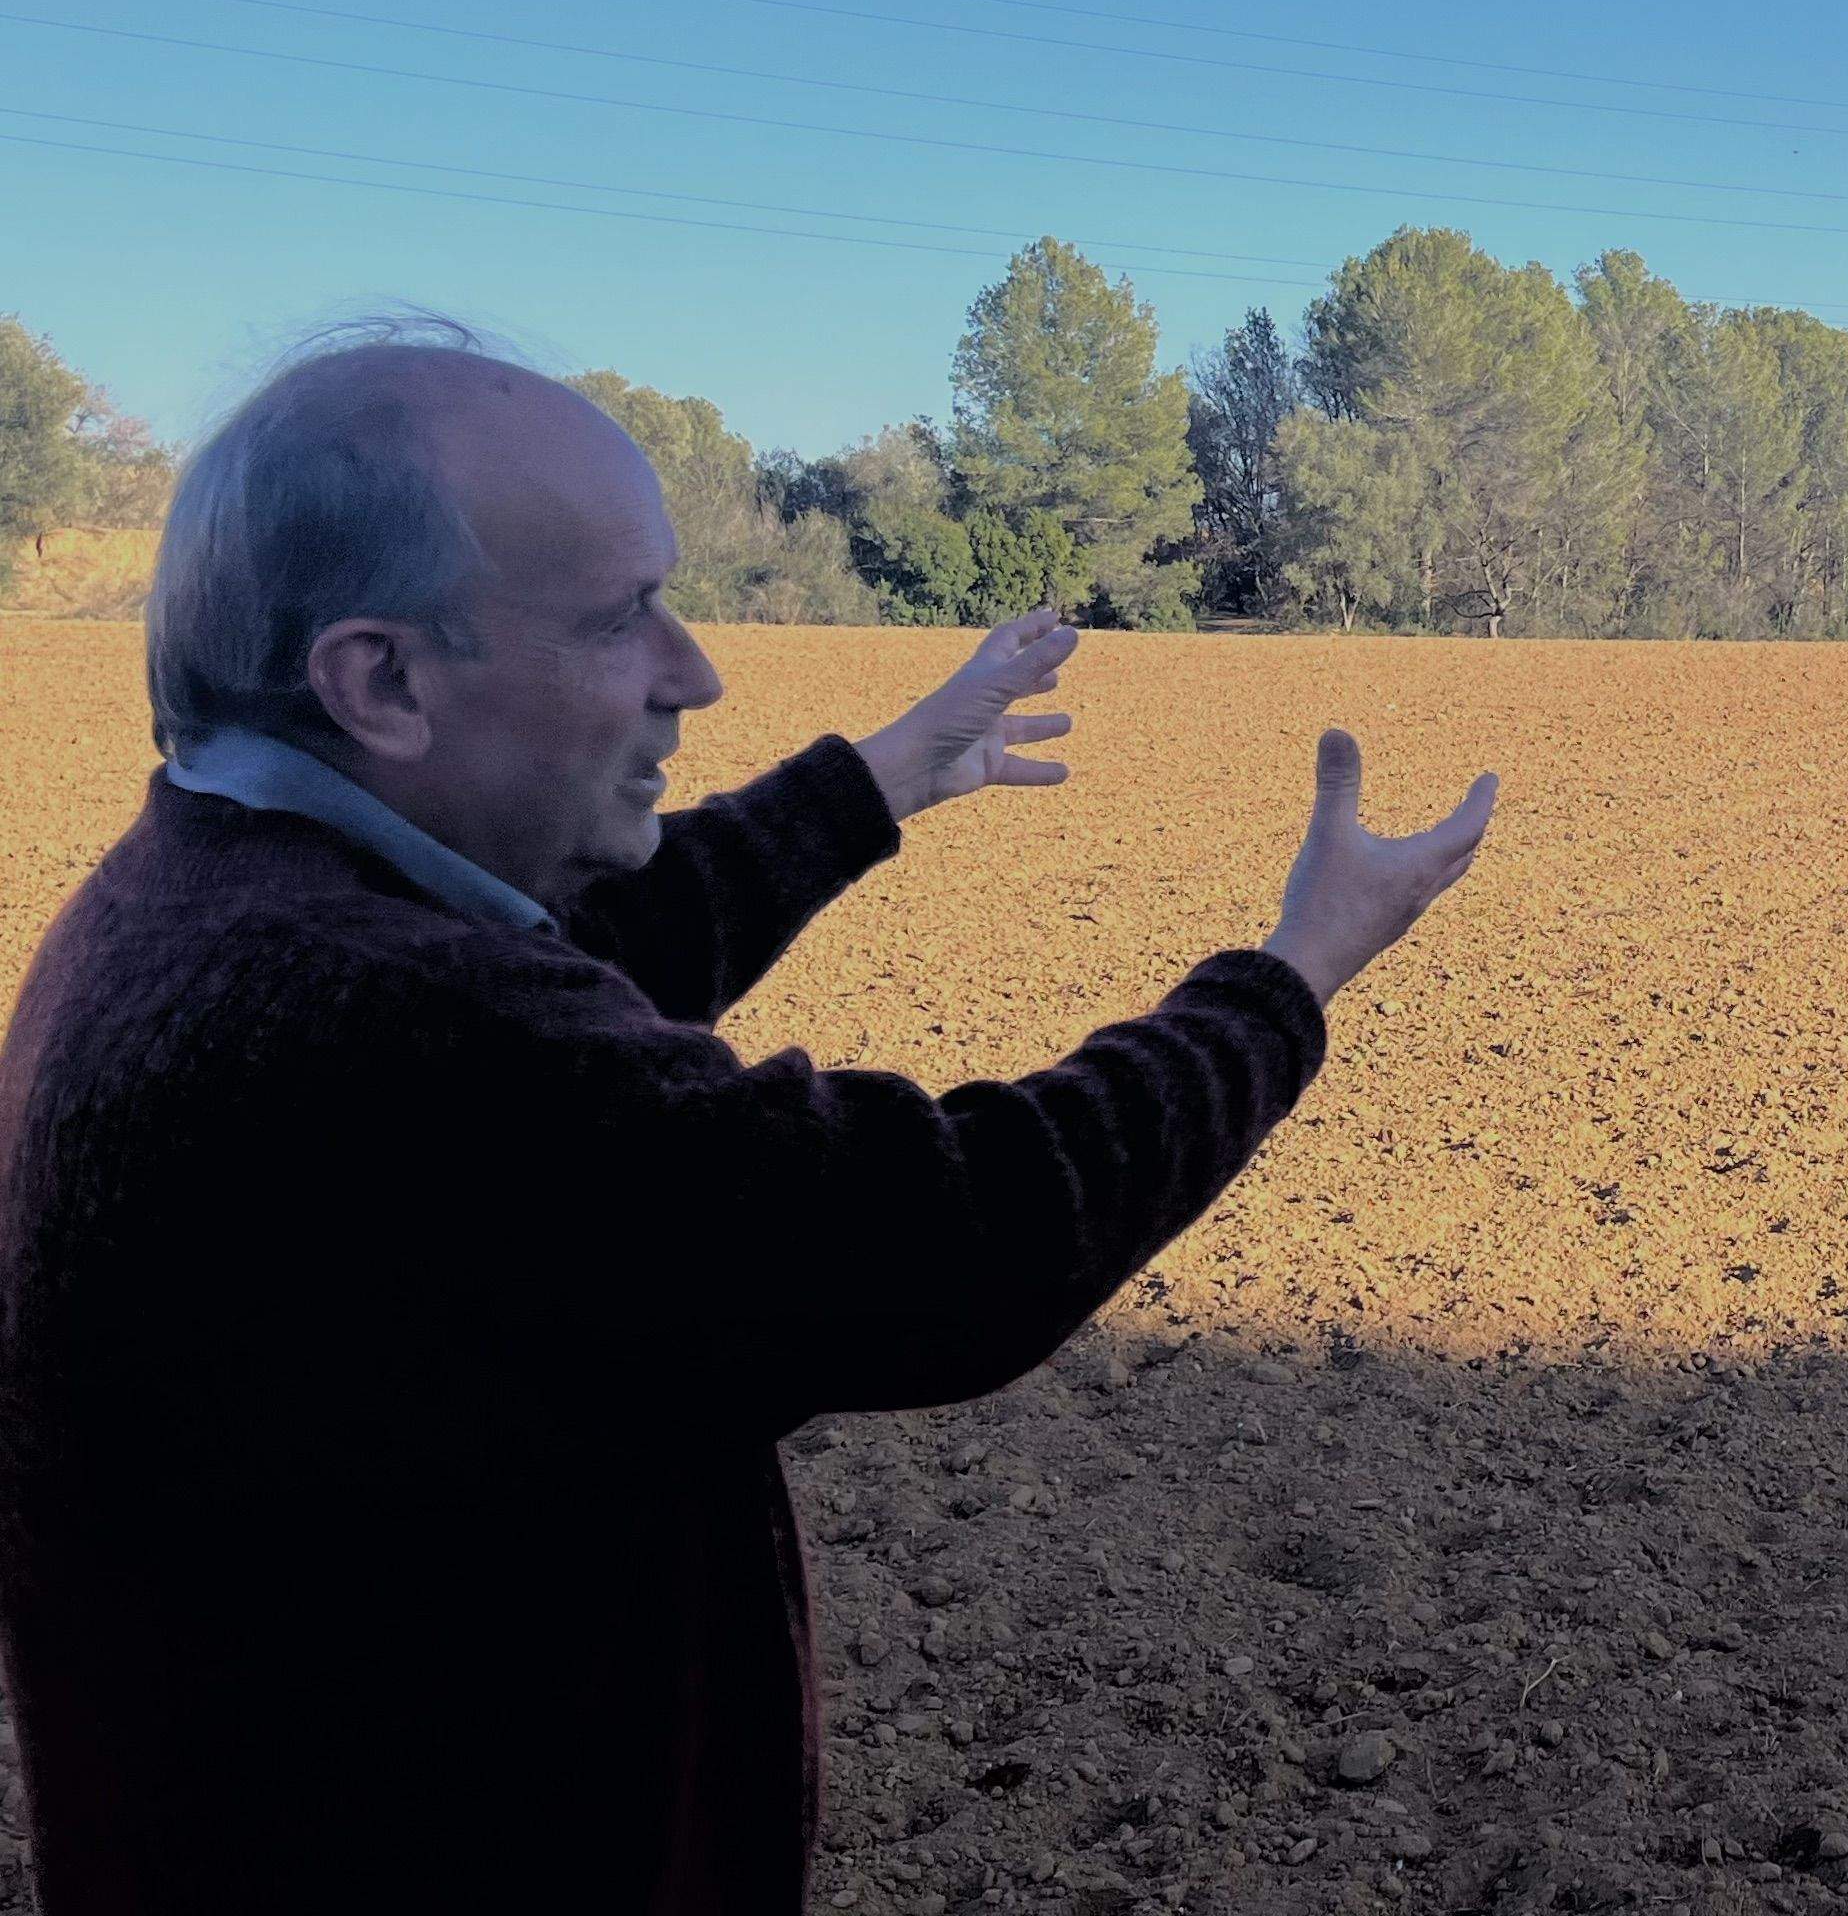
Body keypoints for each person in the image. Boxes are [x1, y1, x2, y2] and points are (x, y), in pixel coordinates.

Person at [0, 329, 1497, 1913]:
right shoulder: (376, 1019)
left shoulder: (212, 897)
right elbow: (959, 1236)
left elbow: (573, 969)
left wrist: (884, 776)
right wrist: (1292, 973)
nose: (692, 672)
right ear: (380, 679)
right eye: (619, 617)